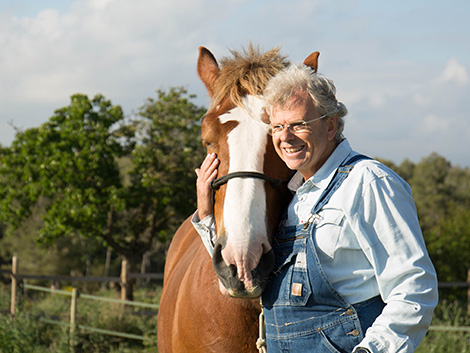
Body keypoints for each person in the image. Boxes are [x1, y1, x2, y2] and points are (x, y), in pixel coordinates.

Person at [192, 63, 438, 353]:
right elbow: (245, 275)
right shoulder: (293, 197)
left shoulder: (368, 181)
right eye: (278, 127)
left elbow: (414, 287)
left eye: (299, 124)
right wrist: (208, 218)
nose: (286, 136)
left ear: (331, 125)